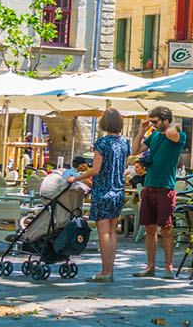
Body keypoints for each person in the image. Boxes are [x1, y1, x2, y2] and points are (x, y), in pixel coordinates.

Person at [74, 109, 129, 282]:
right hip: (118, 191)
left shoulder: (102, 143)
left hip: (102, 191)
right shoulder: (124, 143)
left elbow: (96, 169)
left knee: (103, 233)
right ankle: (110, 270)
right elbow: (124, 168)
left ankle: (104, 272)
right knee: (112, 233)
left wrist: (75, 178)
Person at [133, 107, 187, 278]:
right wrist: (142, 131)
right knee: (149, 229)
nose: (153, 125)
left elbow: (171, 133)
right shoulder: (153, 135)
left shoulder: (178, 136)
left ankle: (168, 267)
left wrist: (176, 124)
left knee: (166, 229)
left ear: (165, 120)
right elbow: (134, 150)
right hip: (149, 187)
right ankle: (150, 267)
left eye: (155, 122)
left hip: (166, 188)